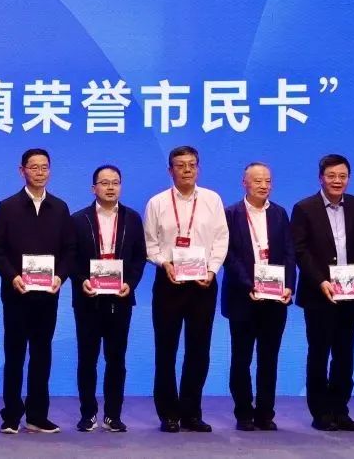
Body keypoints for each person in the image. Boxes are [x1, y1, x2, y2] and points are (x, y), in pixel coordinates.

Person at [144, 145, 228, 433]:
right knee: (165, 350)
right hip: (169, 283)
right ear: (170, 170)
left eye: (192, 164)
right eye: (180, 165)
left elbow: (221, 239)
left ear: (198, 168)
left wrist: (212, 269)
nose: (187, 170)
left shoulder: (212, 200)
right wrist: (163, 263)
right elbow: (150, 244)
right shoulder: (157, 202)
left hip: (203, 284)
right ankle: (168, 413)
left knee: (199, 350)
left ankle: (192, 412)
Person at [0, 148, 76, 434]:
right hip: (16, 293)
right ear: (22, 171)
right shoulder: (7, 207)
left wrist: (60, 277)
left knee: (42, 354)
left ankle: (37, 416)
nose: (40, 172)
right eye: (34, 167)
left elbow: (70, 250)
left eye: (44, 167)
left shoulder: (60, 208)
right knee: (14, 354)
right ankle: (11, 415)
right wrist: (12, 276)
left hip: (47, 294)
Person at [291, 154, 354, 432]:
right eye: (331, 176)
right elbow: (300, 251)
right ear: (320, 178)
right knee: (319, 352)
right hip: (319, 294)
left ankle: (340, 409)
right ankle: (321, 411)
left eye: (343, 176)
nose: (337, 181)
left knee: (345, 353)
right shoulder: (304, 208)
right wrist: (320, 281)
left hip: (351, 292)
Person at [70, 164, 146, 433]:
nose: (110, 187)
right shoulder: (78, 219)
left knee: (117, 359)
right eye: (104, 183)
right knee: (87, 359)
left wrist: (130, 284)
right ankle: (87, 414)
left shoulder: (132, 218)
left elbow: (139, 257)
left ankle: (113, 415)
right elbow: (71, 257)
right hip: (88, 299)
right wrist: (81, 280)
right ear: (94, 188)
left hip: (120, 298)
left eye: (115, 182)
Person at [221, 162, 295, 432]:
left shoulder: (279, 213)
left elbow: (289, 253)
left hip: (275, 299)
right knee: (241, 359)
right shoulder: (230, 214)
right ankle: (243, 413)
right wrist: (249, 284)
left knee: (269, 358)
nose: (264, 185)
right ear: (245, 183)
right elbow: (227, 254)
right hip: (243, 298)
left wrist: (289, 286)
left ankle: (265, 413)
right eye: (257, 181)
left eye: (268, 181)